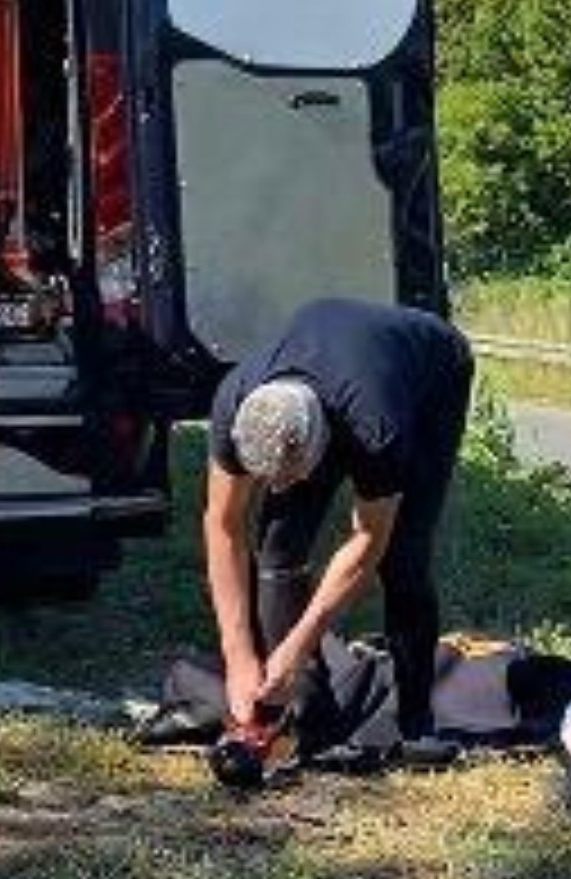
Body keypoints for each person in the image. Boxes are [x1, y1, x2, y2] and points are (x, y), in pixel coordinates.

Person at [204, 297, 478, 765]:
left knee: (403, 555)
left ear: (323, 449)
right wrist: (239, 656)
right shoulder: (235, 404)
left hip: (431, 371)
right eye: (268, 477)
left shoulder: (376, 429)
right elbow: (223, 526)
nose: (278, 488)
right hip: (325, 373)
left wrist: (297, 645)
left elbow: (367, 539)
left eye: (292, 476)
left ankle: (415, 718)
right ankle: (298, 708)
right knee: (279, 544)